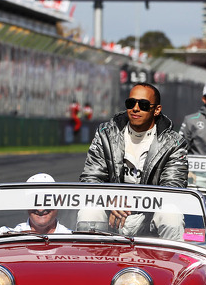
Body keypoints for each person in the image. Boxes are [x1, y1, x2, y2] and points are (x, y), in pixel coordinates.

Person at [79, 82, 187, 239]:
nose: (135, 108)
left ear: (156, 110)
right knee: (89, 210)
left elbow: (173, 189)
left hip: (149, 215)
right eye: (131, 103)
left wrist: (133, 203)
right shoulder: (106, 134)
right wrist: (109, 201)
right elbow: (90, 178)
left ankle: (170, 263)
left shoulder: (174, 143)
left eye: (143, 104)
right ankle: (90, 262)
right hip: (112, 212)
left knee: (171, 213)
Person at [0, 173, 71, 235]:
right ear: (26, 203)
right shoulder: (5, 236)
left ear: (59, 201)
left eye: (47, 201)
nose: (40, 209)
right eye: (34, 201)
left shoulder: (71, 238)